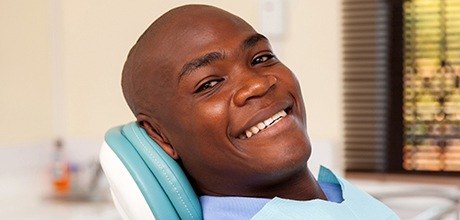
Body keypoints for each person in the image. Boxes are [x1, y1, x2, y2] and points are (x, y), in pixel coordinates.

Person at [121, 4, 399, 220]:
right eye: (209, 84)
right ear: (160, 136)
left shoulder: (336, 197)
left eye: (262, 58)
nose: (257, 83)